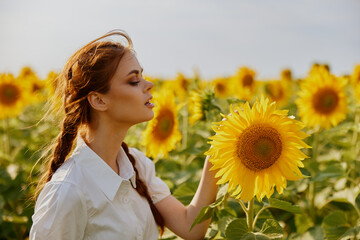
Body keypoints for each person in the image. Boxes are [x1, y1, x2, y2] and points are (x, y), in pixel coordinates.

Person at [30, 30, 218, 240]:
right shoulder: (68, 191)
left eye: (142, 76)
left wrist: (216, 159)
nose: (149, 85)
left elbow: (191, 227)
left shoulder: (137, 166)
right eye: (133, 80)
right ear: (99, 100)